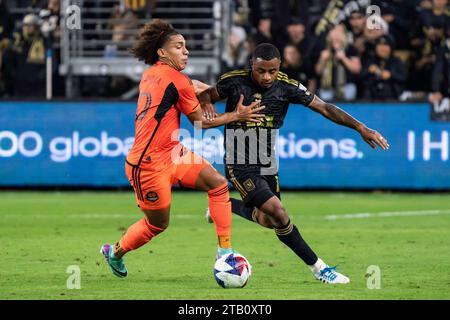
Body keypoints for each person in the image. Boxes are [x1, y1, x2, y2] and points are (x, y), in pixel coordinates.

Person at [198, 43, 390, 284]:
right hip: (239, 161)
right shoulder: (234, 81)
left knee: (270, 220)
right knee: (279, 212)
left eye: (272, 71)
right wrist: (206, 101)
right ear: (251, 66)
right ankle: (320, 269)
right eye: (260, 71)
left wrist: (360, 126)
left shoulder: (287, 87)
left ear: (279, 67)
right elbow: (208, 94)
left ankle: (223, 207)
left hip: (266, 161)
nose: (266, 76)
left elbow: (325, 108)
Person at [100, 19, 264, 278]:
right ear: (162, 52)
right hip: (147, 166)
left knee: (218, 184)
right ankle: (115, 251)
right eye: (178, 46)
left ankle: (225, 253)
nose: (186, 51)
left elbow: (188, 87)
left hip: (171, 152)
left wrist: (201, 90)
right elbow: (200, 122)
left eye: (186, 46)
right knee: (157, 225)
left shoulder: (153, 73)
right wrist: (235, 115)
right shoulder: (176, 80)